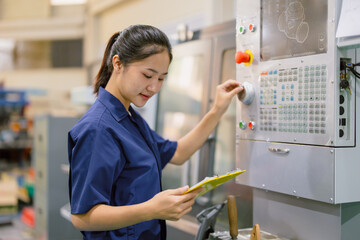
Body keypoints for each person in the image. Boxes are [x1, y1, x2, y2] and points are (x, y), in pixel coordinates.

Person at [67, 24, 244, 240]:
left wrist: (217, 110)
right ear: (118, 64)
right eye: (147, 75)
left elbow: (178, 153)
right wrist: (152, 209)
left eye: (161, 78)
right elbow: (83, 216)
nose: (154, 87)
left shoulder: (130, 120)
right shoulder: (98, 128)